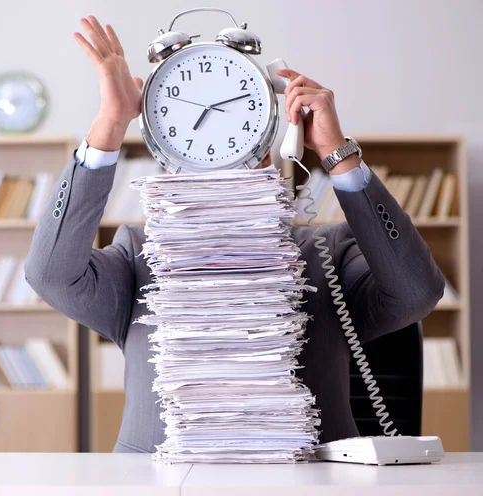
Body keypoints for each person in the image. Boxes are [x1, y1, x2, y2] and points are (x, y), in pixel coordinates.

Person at [24, 16, 444, 454]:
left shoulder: (330, 256)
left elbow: (417, 292)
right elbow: (51, 276)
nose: (219, 176)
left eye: (238, 148)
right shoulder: (136, 255)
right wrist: (109, 126)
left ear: (268, 158)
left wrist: (337, 155)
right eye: (196, 155)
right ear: (167, 164)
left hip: (310, 482)